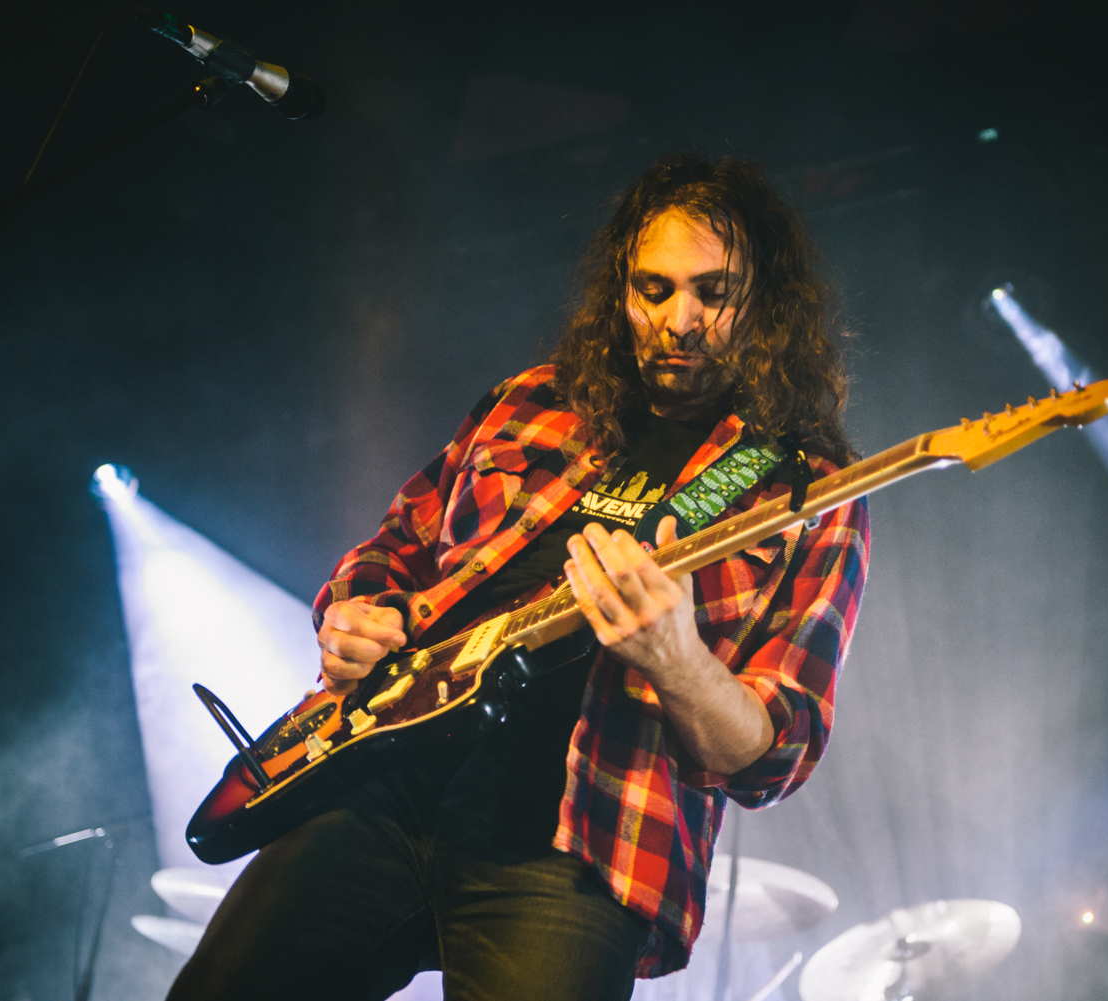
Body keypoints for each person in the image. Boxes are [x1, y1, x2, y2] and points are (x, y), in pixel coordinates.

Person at [168, 154, 871, 1001]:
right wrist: (357, 613)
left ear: (763, 303)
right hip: (377, 787)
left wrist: (678, 659)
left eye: (711, 293)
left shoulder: (808, 489)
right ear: (622, 290)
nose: (679, 319)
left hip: (582, 842)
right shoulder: (531, 401)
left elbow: (775, 752)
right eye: (653, 289)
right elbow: (395, 544)